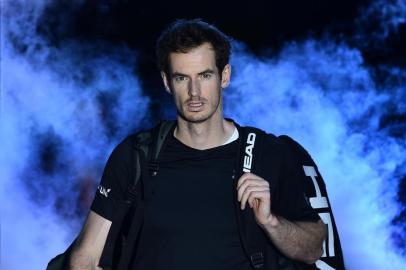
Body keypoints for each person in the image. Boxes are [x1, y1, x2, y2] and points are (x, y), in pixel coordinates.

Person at [68, 19, 328, 270]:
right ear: (167, 82)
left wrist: (271, 222)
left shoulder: (267, 153)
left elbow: (314, 248)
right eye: (182, 78)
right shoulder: (137, 155)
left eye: (204, 75)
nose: (194, 91)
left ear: (224, 76)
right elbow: (85, 257)